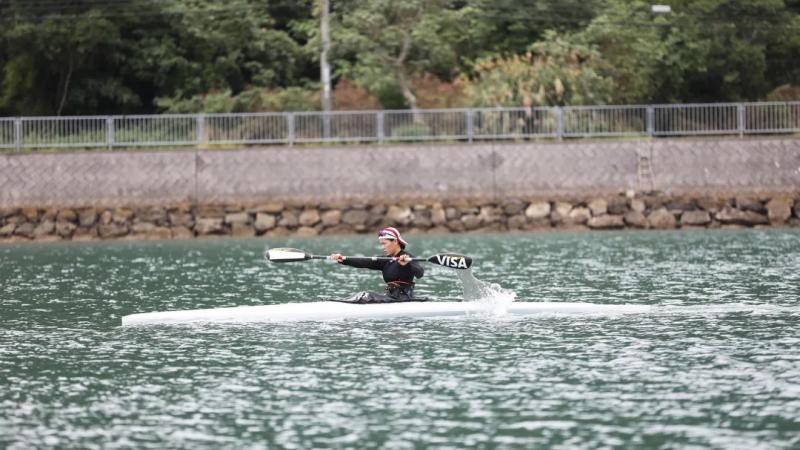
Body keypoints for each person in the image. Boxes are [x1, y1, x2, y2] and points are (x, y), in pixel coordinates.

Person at [329, 227, 425, 303]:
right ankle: (337, 302)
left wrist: (407, 264)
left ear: (395, 241)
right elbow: (363, 262)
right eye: (381, 244)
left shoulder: (407, 257)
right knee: (364, 295)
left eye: (384, 243)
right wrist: (342, 259)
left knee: (365, 295)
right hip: (390, 297)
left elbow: (420, 273)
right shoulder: (385, 260)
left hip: (403, 298)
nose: (382, 247)